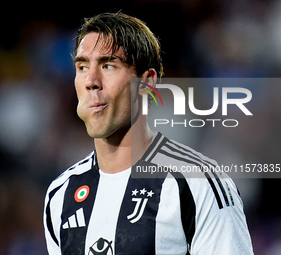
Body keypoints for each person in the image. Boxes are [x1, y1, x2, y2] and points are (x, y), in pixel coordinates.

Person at [43, 12, 254, 255]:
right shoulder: (60, 194)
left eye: (108, 65)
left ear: (147, 83)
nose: (91, 81)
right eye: (82, 67)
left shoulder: (199, 185)